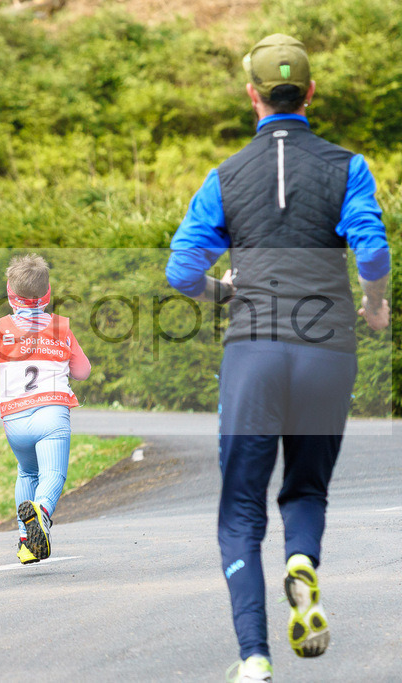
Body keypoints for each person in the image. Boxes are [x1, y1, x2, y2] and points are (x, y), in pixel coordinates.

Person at [165, 34, 391, 683]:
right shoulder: (349, 166)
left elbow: (182, 270)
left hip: (254, 350)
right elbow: (373, 254)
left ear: (252, 96)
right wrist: (374, 303)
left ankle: (255, 657)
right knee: (306, 486)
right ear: (311, 93)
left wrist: (223, 290)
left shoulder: (225, 175)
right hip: (328, 349)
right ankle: (303, 563)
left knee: (240, 506)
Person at [0, 253, 91, 565]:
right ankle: (42, 513)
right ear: (48, 294)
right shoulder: (61, 327)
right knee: (53, 474)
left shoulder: (2, 329)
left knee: (27, 471)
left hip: (14, 418)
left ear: (9, 294)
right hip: (51, 412)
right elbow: (83, 371)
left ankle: (26, 540)